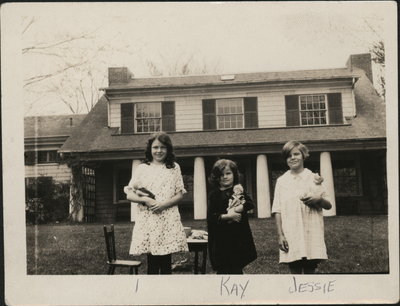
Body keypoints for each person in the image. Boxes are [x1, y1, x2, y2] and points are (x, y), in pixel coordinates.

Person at [124, 132, 188, 274]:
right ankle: (152, 292)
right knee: (152, 261)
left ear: (168, 149)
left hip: (167, 217)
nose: (159, 151)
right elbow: (130, 194)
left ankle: (166, 293)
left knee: (166, 260)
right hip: (149, 219)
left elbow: (179, 194)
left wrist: (163, 205)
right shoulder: (142, 168)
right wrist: (145, 199)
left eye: (163, 147)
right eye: (155, 147)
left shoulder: (174, 167)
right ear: (150, 149)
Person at [272, 140, 332, 274]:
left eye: (296, 154)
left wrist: (318, 199)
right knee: (295, 267)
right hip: (291, 232)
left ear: (303, 155)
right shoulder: (282, 181)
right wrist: (280, 235)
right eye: (288, 156)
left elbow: (328, 205)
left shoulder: (313, 178)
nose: (292, 158)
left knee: (310, 267)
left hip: (311, 230)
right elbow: (277, 210)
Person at [207, 159, 257, 274]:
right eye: (221, 175)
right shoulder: (214, 195)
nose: (225, 177)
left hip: (237, 237)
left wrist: (238, 208)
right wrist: (228, 216)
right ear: (216, 177)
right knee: (223, 269)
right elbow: (211, 217)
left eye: (228, 173)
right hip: (221, 238)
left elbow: (250, 204)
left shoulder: (238, 191)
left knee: (236, 267)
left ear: (234, 174)